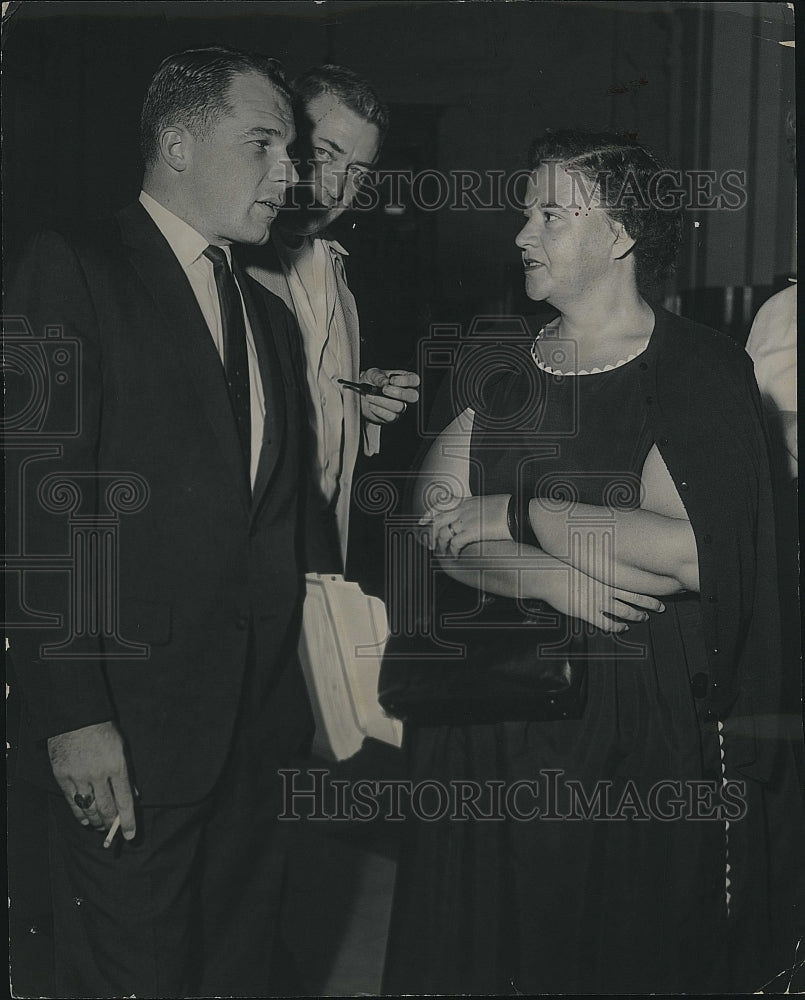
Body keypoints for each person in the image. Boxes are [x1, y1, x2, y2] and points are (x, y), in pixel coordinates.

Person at [382, 130, 804, 993]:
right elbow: (429, 520)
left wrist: (516, 512)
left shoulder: (695, 367)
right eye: (523, 211)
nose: (520, 234)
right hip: (486, 713)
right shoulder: (496, 360)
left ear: (618, 235)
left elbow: (686, 554)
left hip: (629, 722)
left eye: (548, 213)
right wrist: (546, 571)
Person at [5, 45, 322, 997]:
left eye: (292, 149)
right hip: (129, 733)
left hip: (254, 732)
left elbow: (275, 519)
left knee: (234, 971)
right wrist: (75, 717)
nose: (291, 173)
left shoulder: (267, 315)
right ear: (178, 144)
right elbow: (34, 505)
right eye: (263, 143)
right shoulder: (72, 267)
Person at [246, 64, 420, 570]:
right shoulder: (235, 266)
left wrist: (359, 398)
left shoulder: (336, 268)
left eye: (359, 171)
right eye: (324, 155)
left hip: (326, 553)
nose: (338, 188)